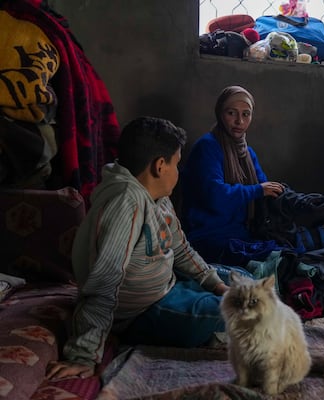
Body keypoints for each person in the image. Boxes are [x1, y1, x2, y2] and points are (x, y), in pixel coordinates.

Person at [45, 116, 247, 381]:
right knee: (241, 312)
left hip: (169, 284)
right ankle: (206, 331)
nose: (179, 171)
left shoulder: (159, 197)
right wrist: (82, 354)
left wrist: (215, 284)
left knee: (245, 284)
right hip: (142, 312)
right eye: (177, 164)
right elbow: (104, 281)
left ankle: (211, 316)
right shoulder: (125, 203)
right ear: (159, 166)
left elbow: (182, 249)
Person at [181, 85, 284, 263]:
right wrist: (258, 190)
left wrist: (289, 198)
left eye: (246, 114)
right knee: (270, 261)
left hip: (241, 232)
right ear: (220, 113)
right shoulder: (207, 147)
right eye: (231, 113)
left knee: (288, 253)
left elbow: (265, 189)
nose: (239, 121)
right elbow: (216, 197)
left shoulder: (247, 153)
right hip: (208, 235)